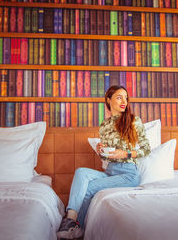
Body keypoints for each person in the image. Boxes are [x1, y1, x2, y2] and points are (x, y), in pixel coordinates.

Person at [56, 85, 151, 239]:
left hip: (129, 174)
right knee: (81, 172)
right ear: (109, 100)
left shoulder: (134, 121)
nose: (124, 101)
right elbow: (107, 157)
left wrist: (125, 153)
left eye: (126, 98)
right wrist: (102, 150)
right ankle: (70, 220)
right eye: (119, 97)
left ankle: (75, 225)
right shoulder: (104, 126)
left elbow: (146, 149)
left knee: (91, 187)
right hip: (111, 171)